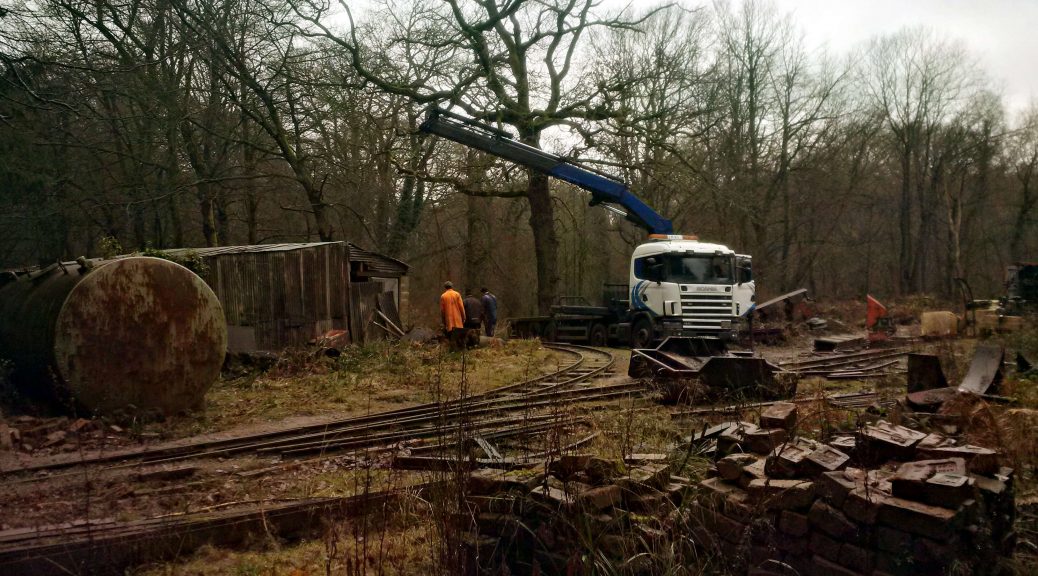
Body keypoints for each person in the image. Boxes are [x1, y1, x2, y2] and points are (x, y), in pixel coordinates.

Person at [440, 281, 466, 350]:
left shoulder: (443, 296)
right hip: (458, 319)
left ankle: (453, 350)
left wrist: (443, 320)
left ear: (445, 287)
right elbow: (461, 307)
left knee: (451, 336)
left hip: (449, 320)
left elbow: (442, 311)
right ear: (452, 286)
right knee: (459, 336)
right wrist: (464, 317)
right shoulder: (457, 294)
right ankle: (461, 350)